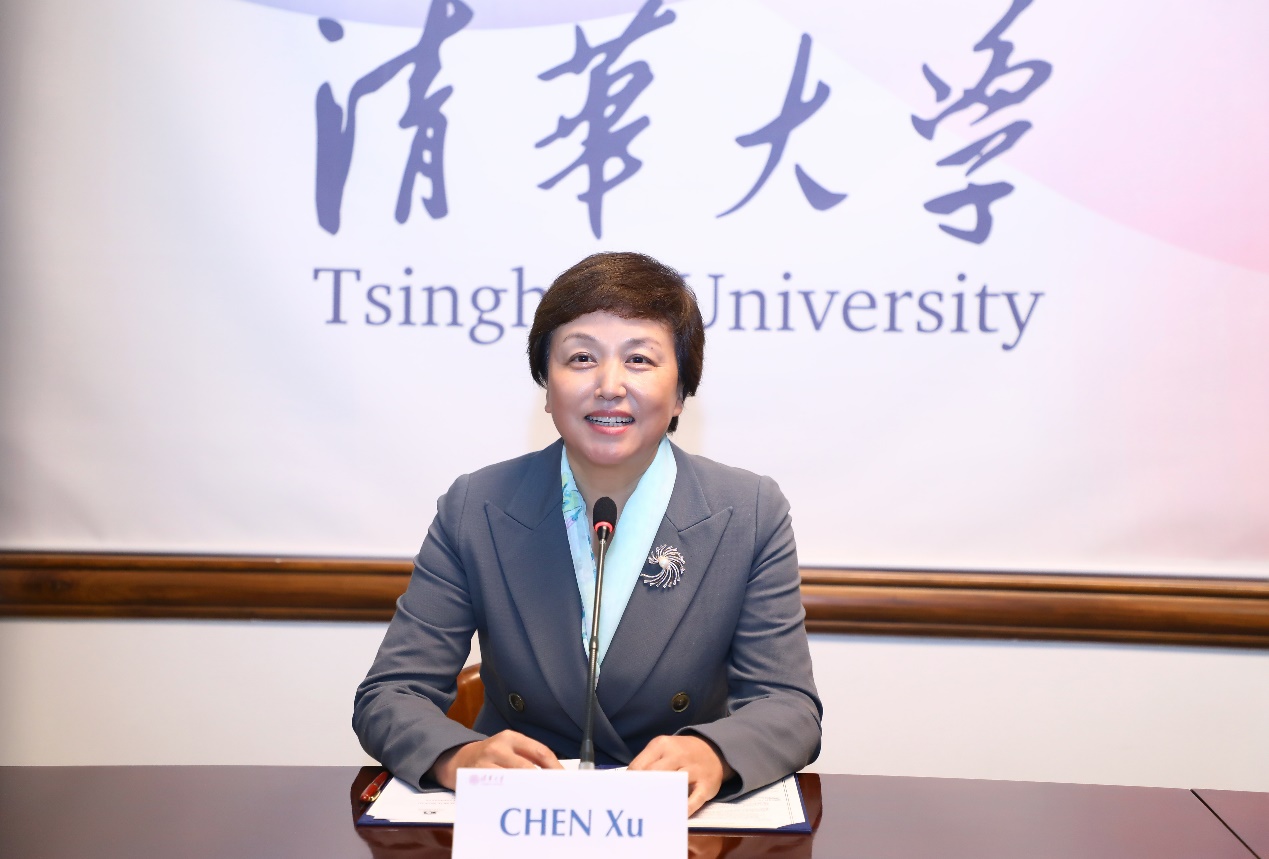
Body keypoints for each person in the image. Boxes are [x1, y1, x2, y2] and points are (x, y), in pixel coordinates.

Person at [353, 251, 821, 814]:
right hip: (520, 820)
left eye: (639, 359)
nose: (609, 385)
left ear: (680, 393)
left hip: (676, 822)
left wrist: (714, 753)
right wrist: (459, 755)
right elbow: (389, 693)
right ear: (546, 388)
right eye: (581, 358)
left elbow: (789, 706)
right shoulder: (476, 506)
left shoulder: (748, 511)